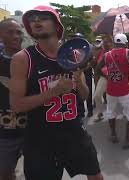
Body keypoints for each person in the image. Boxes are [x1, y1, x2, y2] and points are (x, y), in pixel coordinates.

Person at [9, 5, 103, 180]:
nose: (36, 20)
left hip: (74, 133)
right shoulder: (22, 59)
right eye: (33, 18)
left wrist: (79, 79)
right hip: (40, 140)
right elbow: (16, 105)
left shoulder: (73, 54)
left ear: (56, 25)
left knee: (96, 176)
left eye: (43, 17)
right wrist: (55, 91)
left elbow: (83, 95)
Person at [96, 33, 129, 149]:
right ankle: (127, 140)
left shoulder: (107, 54)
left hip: (111, 90)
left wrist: (107, 76)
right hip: (124, 90)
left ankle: (113, 134)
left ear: (115, 43)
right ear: (125, 42)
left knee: (111, 112)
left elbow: (97, 69)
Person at [0, 18, 26, 180]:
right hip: (5, 132)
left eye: (19, 32)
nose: (16, 36)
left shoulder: (29, 61)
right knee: (5, 173)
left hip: (32, 129)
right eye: (10, 32)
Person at [93, 35, 113, 122]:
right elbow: (96, 66)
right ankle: (100, 113)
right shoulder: (100, 52)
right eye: (104, 42)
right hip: (104, 77)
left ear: (111, 43)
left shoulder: (115, 52)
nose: (105, 44)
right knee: (97, 96)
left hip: (115, 78)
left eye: (107, 42)